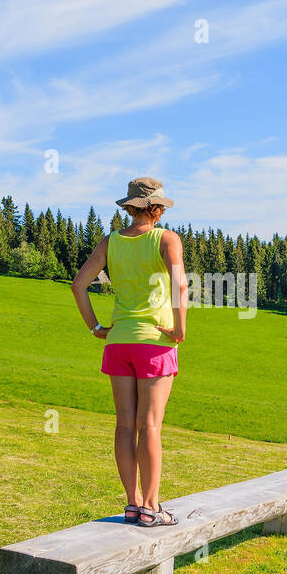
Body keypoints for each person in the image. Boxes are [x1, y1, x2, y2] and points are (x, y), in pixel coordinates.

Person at [71, 177, 187, 526]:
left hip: (118, 341)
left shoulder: (110, 242)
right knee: (149, 425)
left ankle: (133, 504)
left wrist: (95, 328)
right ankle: (152, 508)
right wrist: (180, 330)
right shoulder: (167, 239)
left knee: (125, 425)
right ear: (155, 208)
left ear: (129, 207)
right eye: (161, 207)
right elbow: (180, 283)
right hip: (154, 344)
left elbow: (78, 285)